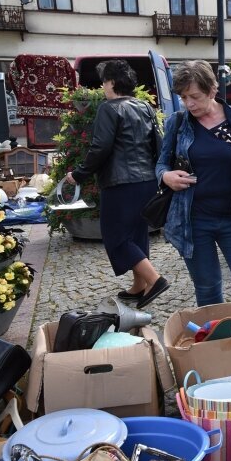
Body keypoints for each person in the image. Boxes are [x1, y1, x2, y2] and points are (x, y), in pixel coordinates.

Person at [156, 60, 231, 344]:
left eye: (194, 96)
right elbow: (160, 164)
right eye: (183, 97)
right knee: (208, 290)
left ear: (212, 90)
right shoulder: (177, 123)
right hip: (193, 221)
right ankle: (218, 350)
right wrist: (166, 176)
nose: (188, 103)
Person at [66, 59, 169, 309]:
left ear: (111, 82)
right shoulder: (144, 106)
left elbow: (100, 147)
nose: (102, 87)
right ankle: (139, 285)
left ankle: (154, 280)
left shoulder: (109, 108)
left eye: (103, 82)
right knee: (136, 233)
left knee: (116, 237)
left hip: (119, 182)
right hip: (146, 180)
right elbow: (158, 142)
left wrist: (78, 174)